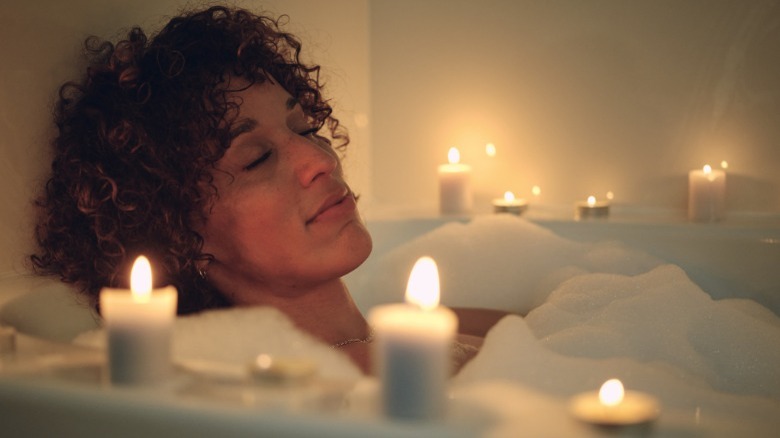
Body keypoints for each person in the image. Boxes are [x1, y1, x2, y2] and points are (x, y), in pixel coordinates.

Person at [31, 5, 498, 374]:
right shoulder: (323, 394)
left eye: (305, 127)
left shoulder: (420, 331)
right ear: (177, 232)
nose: (320, 160)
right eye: (256, 158)